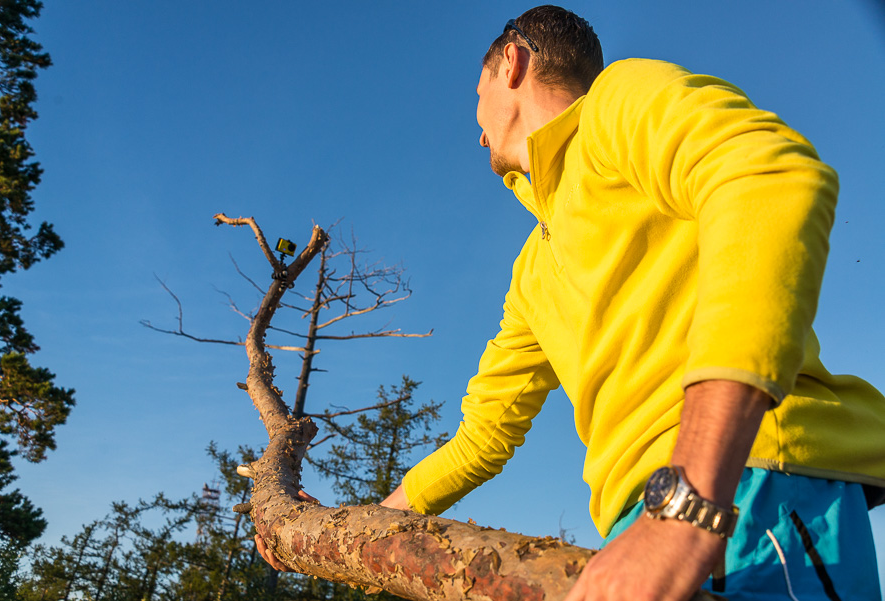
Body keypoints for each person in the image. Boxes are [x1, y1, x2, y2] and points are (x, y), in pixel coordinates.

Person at [263, 6, 885, 600]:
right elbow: (483, 437)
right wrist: (354, 526)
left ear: (511, 64)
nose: (474, 125)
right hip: (638, 523)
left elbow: (766, 178)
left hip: (748, 487)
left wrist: (688, 500)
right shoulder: (533, 270)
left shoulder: (613, 105)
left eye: (475, 93)